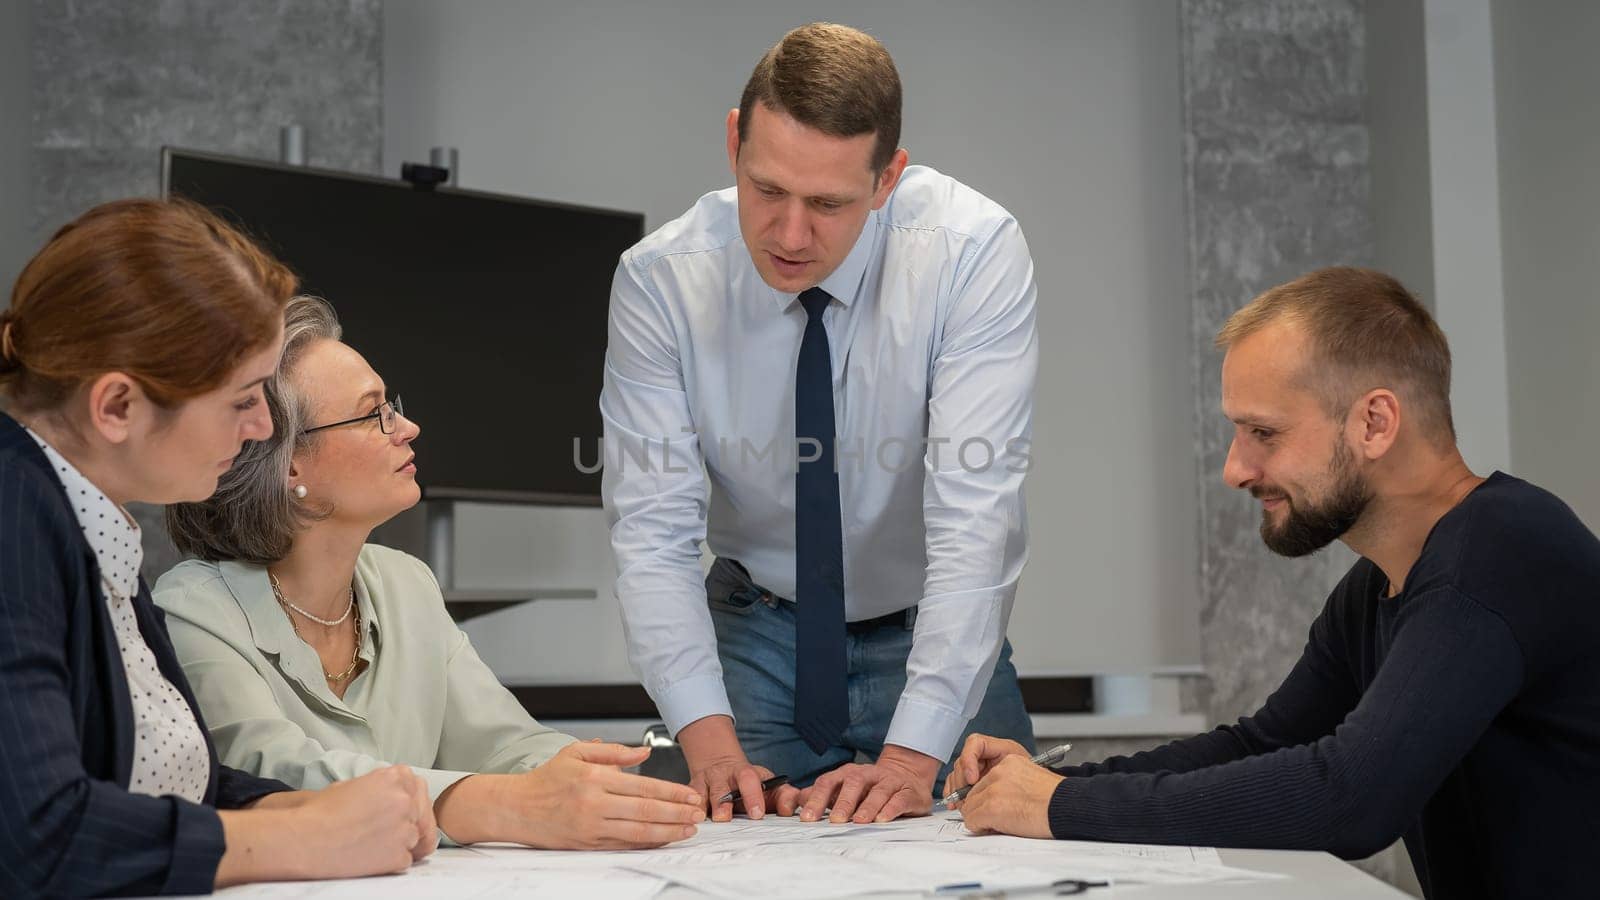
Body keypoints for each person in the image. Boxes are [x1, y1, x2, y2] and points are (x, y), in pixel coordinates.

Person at [946, 267, 1600, 900]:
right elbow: (1262, 745)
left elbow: (1349, 800)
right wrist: (1047, 780)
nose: (1235, 468)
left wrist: (1060, 803)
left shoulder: (1500, 552)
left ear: (1375, 423)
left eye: (1264, 432)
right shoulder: (1376, 590)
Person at [601, 21, 1039, 826]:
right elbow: (652, 532)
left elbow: (976, 515)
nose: (790, 235)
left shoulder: (971, 253)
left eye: (830, 203)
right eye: (766, 190)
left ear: (887, 179)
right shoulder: (661, 283)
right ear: (735, 141)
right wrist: (709, 746)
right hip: (756, 631)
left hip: (929, 631)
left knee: (1007, 855)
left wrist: (912, 759)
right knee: (723, 858)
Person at [155, 295, 705, 850]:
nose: (409, 427)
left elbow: (505, 745)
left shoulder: (405, 583)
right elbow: (269, 775)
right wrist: (494, 806)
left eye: (392, 406)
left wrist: (589, 779)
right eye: (374, 414)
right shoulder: (194, 609)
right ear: (288, 460)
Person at [0, 199, 436, 897]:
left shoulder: (86, 519)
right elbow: (37, 837)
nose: (264, 425)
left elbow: (166, 777)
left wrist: (296, 805)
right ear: (117, 407)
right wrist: (307, 837)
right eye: (242, 399)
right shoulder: (14, 518)